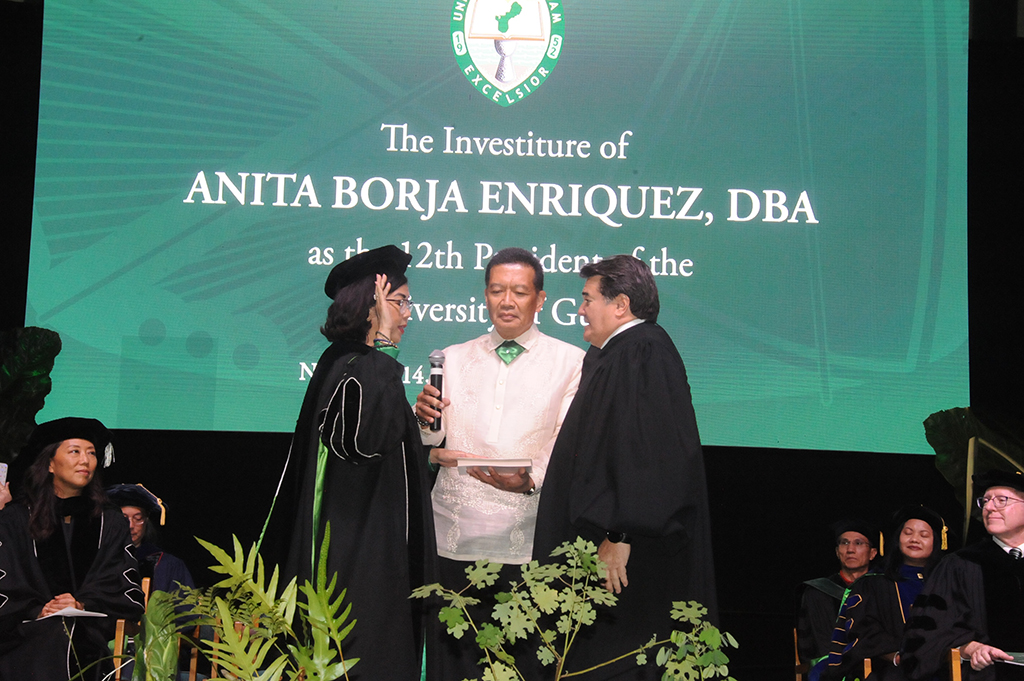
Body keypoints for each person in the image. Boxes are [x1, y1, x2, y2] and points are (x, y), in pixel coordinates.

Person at [532, 254, 717, 681]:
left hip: (630, 554)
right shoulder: (621, 351)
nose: (580, 309)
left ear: (621, 305)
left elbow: (651, 453)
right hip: (610, 544)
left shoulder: (643, 351)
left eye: (588, 298)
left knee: (624, 663)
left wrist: (622, 532)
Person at [259, 245, 435, 681]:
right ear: (369, 304)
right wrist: (387, 343)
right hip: (354, 554)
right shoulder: (357, 364)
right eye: (399, 301)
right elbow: (361, 444)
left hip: (363, 538)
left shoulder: (353, 364)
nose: (408, 314)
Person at [413, 247, 584, 680]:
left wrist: (530, 481)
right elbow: (433, 438)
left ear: (540, 299)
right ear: (485, 296)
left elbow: (564, 439)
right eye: (496, 290)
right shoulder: (451, 356)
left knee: (518, 662)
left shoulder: (571, 362)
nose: (507, 301)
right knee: (453, 660)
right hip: (451, 530)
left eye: (520, 292)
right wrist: (422, 421)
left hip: (524, 534)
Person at [0, 417, 145, 681]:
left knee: (66, 632)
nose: (85, 460)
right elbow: (6, 580)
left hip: (89, 631)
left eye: (91, 453)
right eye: (75, 451)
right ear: (51, 463)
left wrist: (80, 604)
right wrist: (38, 610)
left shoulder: (110, 522)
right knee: (52, 631)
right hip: (23, 632)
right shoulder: (16, 519)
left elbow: (122, 588)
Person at [901, 469, 1024, 681]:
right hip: (985, 675)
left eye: (1001, 500)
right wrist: (968, 646)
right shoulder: (959, 565)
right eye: (985, 501)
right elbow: (928, 631)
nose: (989, 507)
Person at [823, 506, 948, 681]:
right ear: (898, 539)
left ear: (936, 541)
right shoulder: (873, 583)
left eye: (924, 535)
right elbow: (864, 628)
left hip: (946, 667)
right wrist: (897, 654)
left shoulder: (947, 583)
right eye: (908, 533)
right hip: (893, 669)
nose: (914, 539)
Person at [796, 520, 880, 675]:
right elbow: (821, 646)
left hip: (878, 667)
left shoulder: (883, 590)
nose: (850, 549)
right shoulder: (818, 593)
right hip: (833, 669)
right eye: (844, 543)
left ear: (873, 553)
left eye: (858, 543)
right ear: (837, 552)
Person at [106, 483, 194, 596]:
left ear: (146, 521)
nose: (131, 525)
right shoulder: (98, 559)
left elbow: (186, 610)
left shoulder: (168, 564)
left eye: (138, 518)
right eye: (124, 518)